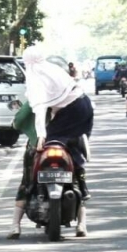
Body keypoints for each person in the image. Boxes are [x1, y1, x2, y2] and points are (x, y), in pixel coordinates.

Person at [7, 99, 88, 239]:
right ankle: (81, 224)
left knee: (27, 185)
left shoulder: (34, 100)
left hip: (37, 148)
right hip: (65, 147)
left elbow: (18, 122)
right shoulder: (67, 97)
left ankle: (15, 226)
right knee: (76, 183)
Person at [24, 44, 95, 197]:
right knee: (71, 144)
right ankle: (81, 185)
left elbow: (40, 107)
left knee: (48, 144)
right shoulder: (53, 69)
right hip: (85, 105)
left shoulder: (36, 75)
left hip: (71, 111)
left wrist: (41, 135)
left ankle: (32, 185)